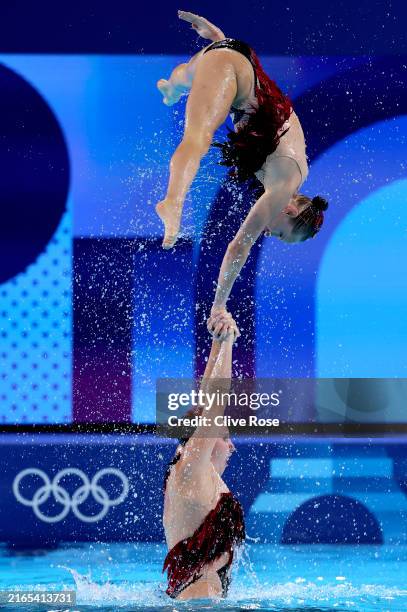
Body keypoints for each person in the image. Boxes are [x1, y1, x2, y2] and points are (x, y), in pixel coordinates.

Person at [155, 10, 328, 253]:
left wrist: (219, 42)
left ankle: (172, 89)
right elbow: (238, 249)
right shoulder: (284, 181)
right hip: (231, 69)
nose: (268, 233)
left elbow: (258, 104)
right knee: (197, 138)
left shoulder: (283, 170)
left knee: (183, 77)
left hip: (237, 58)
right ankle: (173, 202)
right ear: (289, 210)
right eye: (279, 233)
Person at [162, 312, 245, 600]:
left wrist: (217, 341)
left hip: (200, 594)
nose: (230, 446)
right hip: (198, 598)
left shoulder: (191, 470)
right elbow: (215, 402)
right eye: (224, 437)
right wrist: (229, 341)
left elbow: (206, 399)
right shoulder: (189, 467)